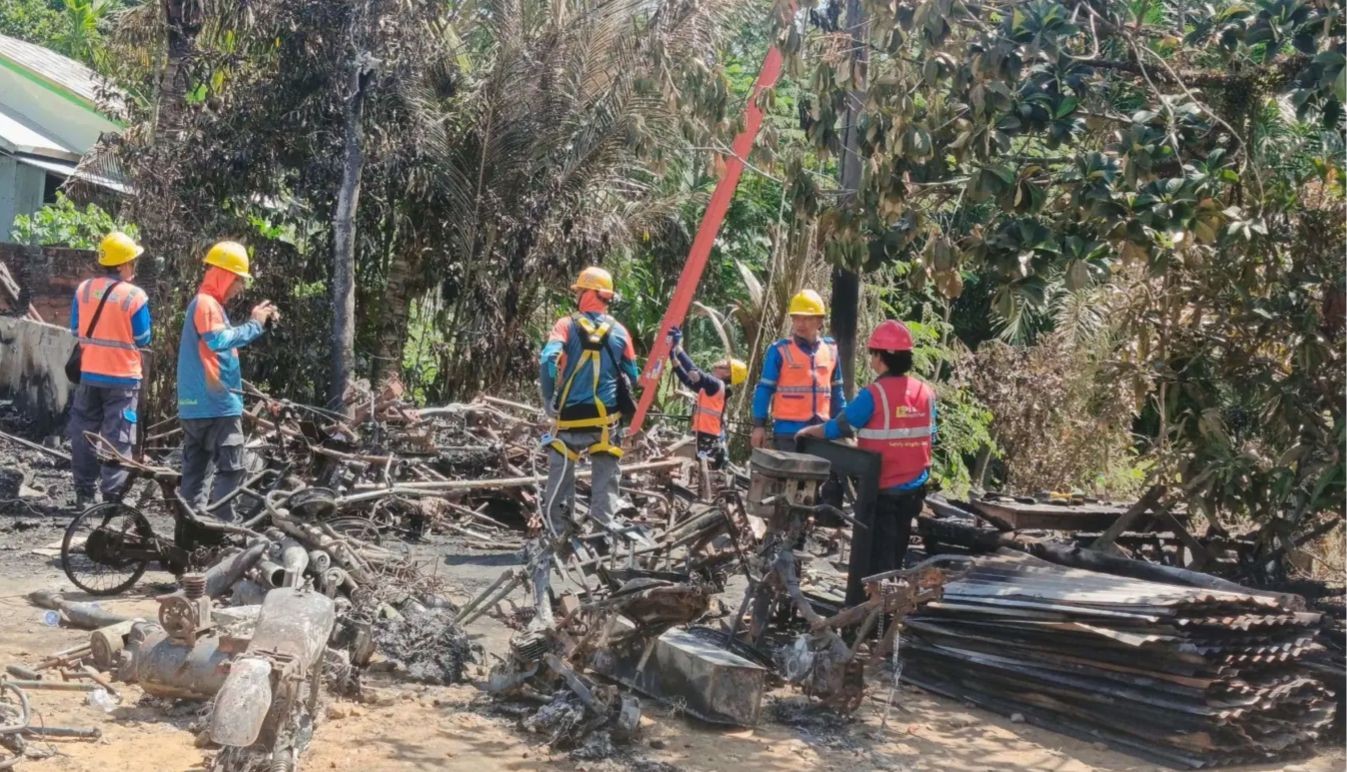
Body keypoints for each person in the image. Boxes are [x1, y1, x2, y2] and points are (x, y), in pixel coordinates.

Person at [796, 320, 936, 573]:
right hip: (914, 486)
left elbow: (840, 426)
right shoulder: (926, 392)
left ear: (880, 358)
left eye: (873, 354)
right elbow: (928, 434)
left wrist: (808, 431)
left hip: (882, 489)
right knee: (896, 551)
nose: (871, 360)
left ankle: (876, 606)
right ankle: (888, 600)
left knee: (876, 559)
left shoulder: (874, 394)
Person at [176, 241, 279, 522]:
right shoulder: (207, 304)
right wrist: (255, 324)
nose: (240, 289)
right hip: (217, 406)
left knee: (196, 475)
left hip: (196, 405)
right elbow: (218, 341)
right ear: (225, 275)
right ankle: (223, 530)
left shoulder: (207, 305)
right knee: (231, 469)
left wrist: (257, 324)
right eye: (238, 281)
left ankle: (191, 532)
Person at [538, 266, 639, 533]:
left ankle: (559, 535)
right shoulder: (620, 332)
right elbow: (633, 375)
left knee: (559, 480)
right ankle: (602, 536)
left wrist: (548, 398)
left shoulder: (565, 325)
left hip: (569, 420)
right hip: (605, 422)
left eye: (580, 290)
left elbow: (549, 359)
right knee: (605, 480)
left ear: (589, 293)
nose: (577, 295)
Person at [67, 232, 151, 509]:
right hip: (123, 379)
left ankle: (84, 494)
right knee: (118, 438)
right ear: (124, 265)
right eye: (132, 262)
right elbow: (144, 339)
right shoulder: (135, 296)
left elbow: (76, 329)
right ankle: (112, 499)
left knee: (85, 434)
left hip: (89, 375)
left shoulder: (84, 290)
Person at [749, 289, 846, 451]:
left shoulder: (831, 350)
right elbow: (764, 390)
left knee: (820, 476)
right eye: (796, 318)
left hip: (821, 431)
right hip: (788, 432)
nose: (800, 324)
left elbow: (837, 392)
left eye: (807, 319)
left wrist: (843, 426)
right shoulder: (779, 350)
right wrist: (759, 426)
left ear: (820, 321)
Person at [667, 325, 747, 469]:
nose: (721, 362)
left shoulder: (715, 384)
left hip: (708, 437)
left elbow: (694, 371)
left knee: (705, 472)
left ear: (728, 373)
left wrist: (678, 348)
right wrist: (673, 359)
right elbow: (688, 380)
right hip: (706, 435)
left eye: (725, 364)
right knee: (703, 471)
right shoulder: (714, 387)